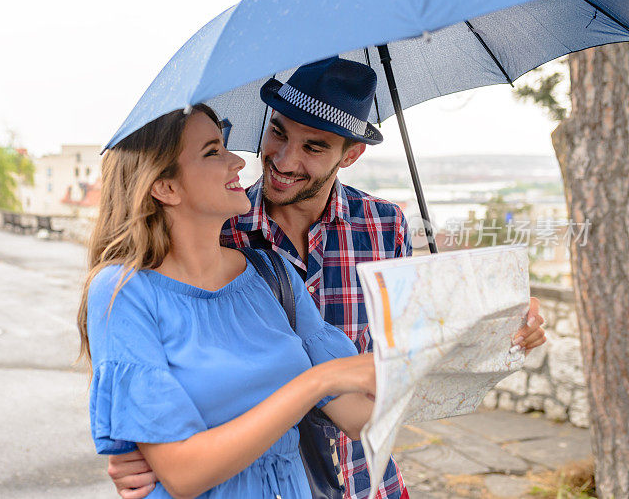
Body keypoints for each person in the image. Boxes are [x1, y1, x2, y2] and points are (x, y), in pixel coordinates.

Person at [105, 57, 547, 499]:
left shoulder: (382, 225)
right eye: (277, 131)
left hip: (365, 480)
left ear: (350, 154)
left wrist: (487, 338)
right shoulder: (217, 228)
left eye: (313, 147)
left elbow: (396, 365)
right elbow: (145, 354)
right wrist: (138, 443)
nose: (281, 158)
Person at [78, 102, 388, 498]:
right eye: (213, 152)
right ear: (165, 187)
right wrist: (316, 382)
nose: (238, 162)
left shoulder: (270, 273)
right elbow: (183, 474)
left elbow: (360, 418)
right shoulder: (124, 292)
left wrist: (446, 340)